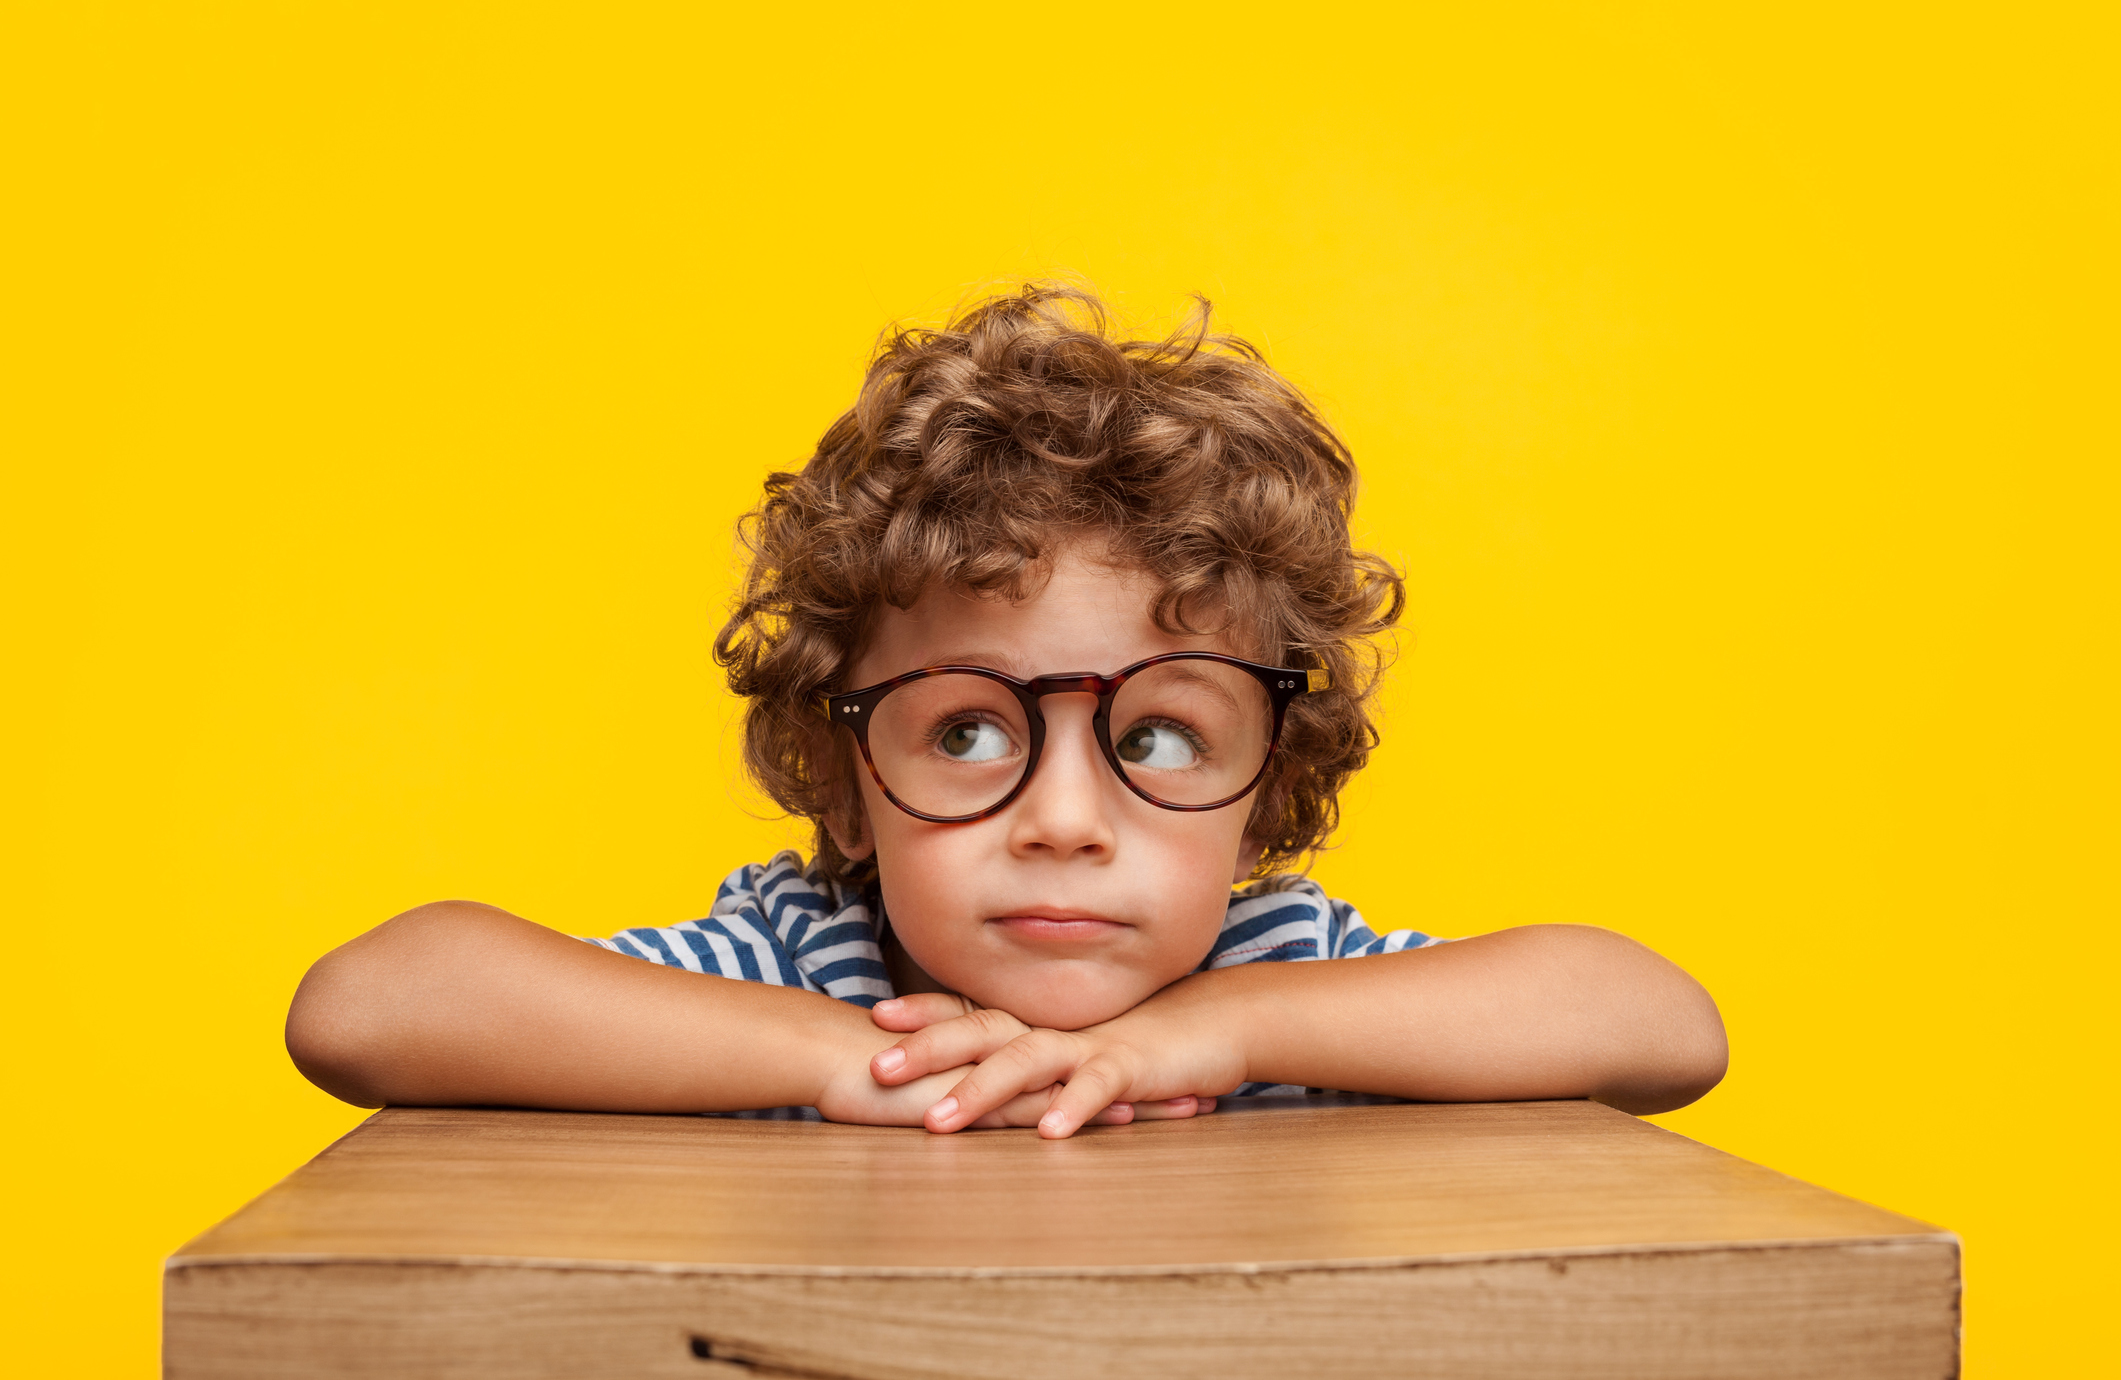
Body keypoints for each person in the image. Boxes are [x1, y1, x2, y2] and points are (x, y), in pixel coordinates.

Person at [287, 285, 1727, 1140]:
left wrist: (1219, 1033)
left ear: (1265, 785)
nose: (1058, 821)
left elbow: (1660, 1023)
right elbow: (369, 1003)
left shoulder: (1279, 964)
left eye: (1159, 736)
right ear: (842, 775)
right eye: (966, 731)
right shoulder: (797, 966)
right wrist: (849, 1062)